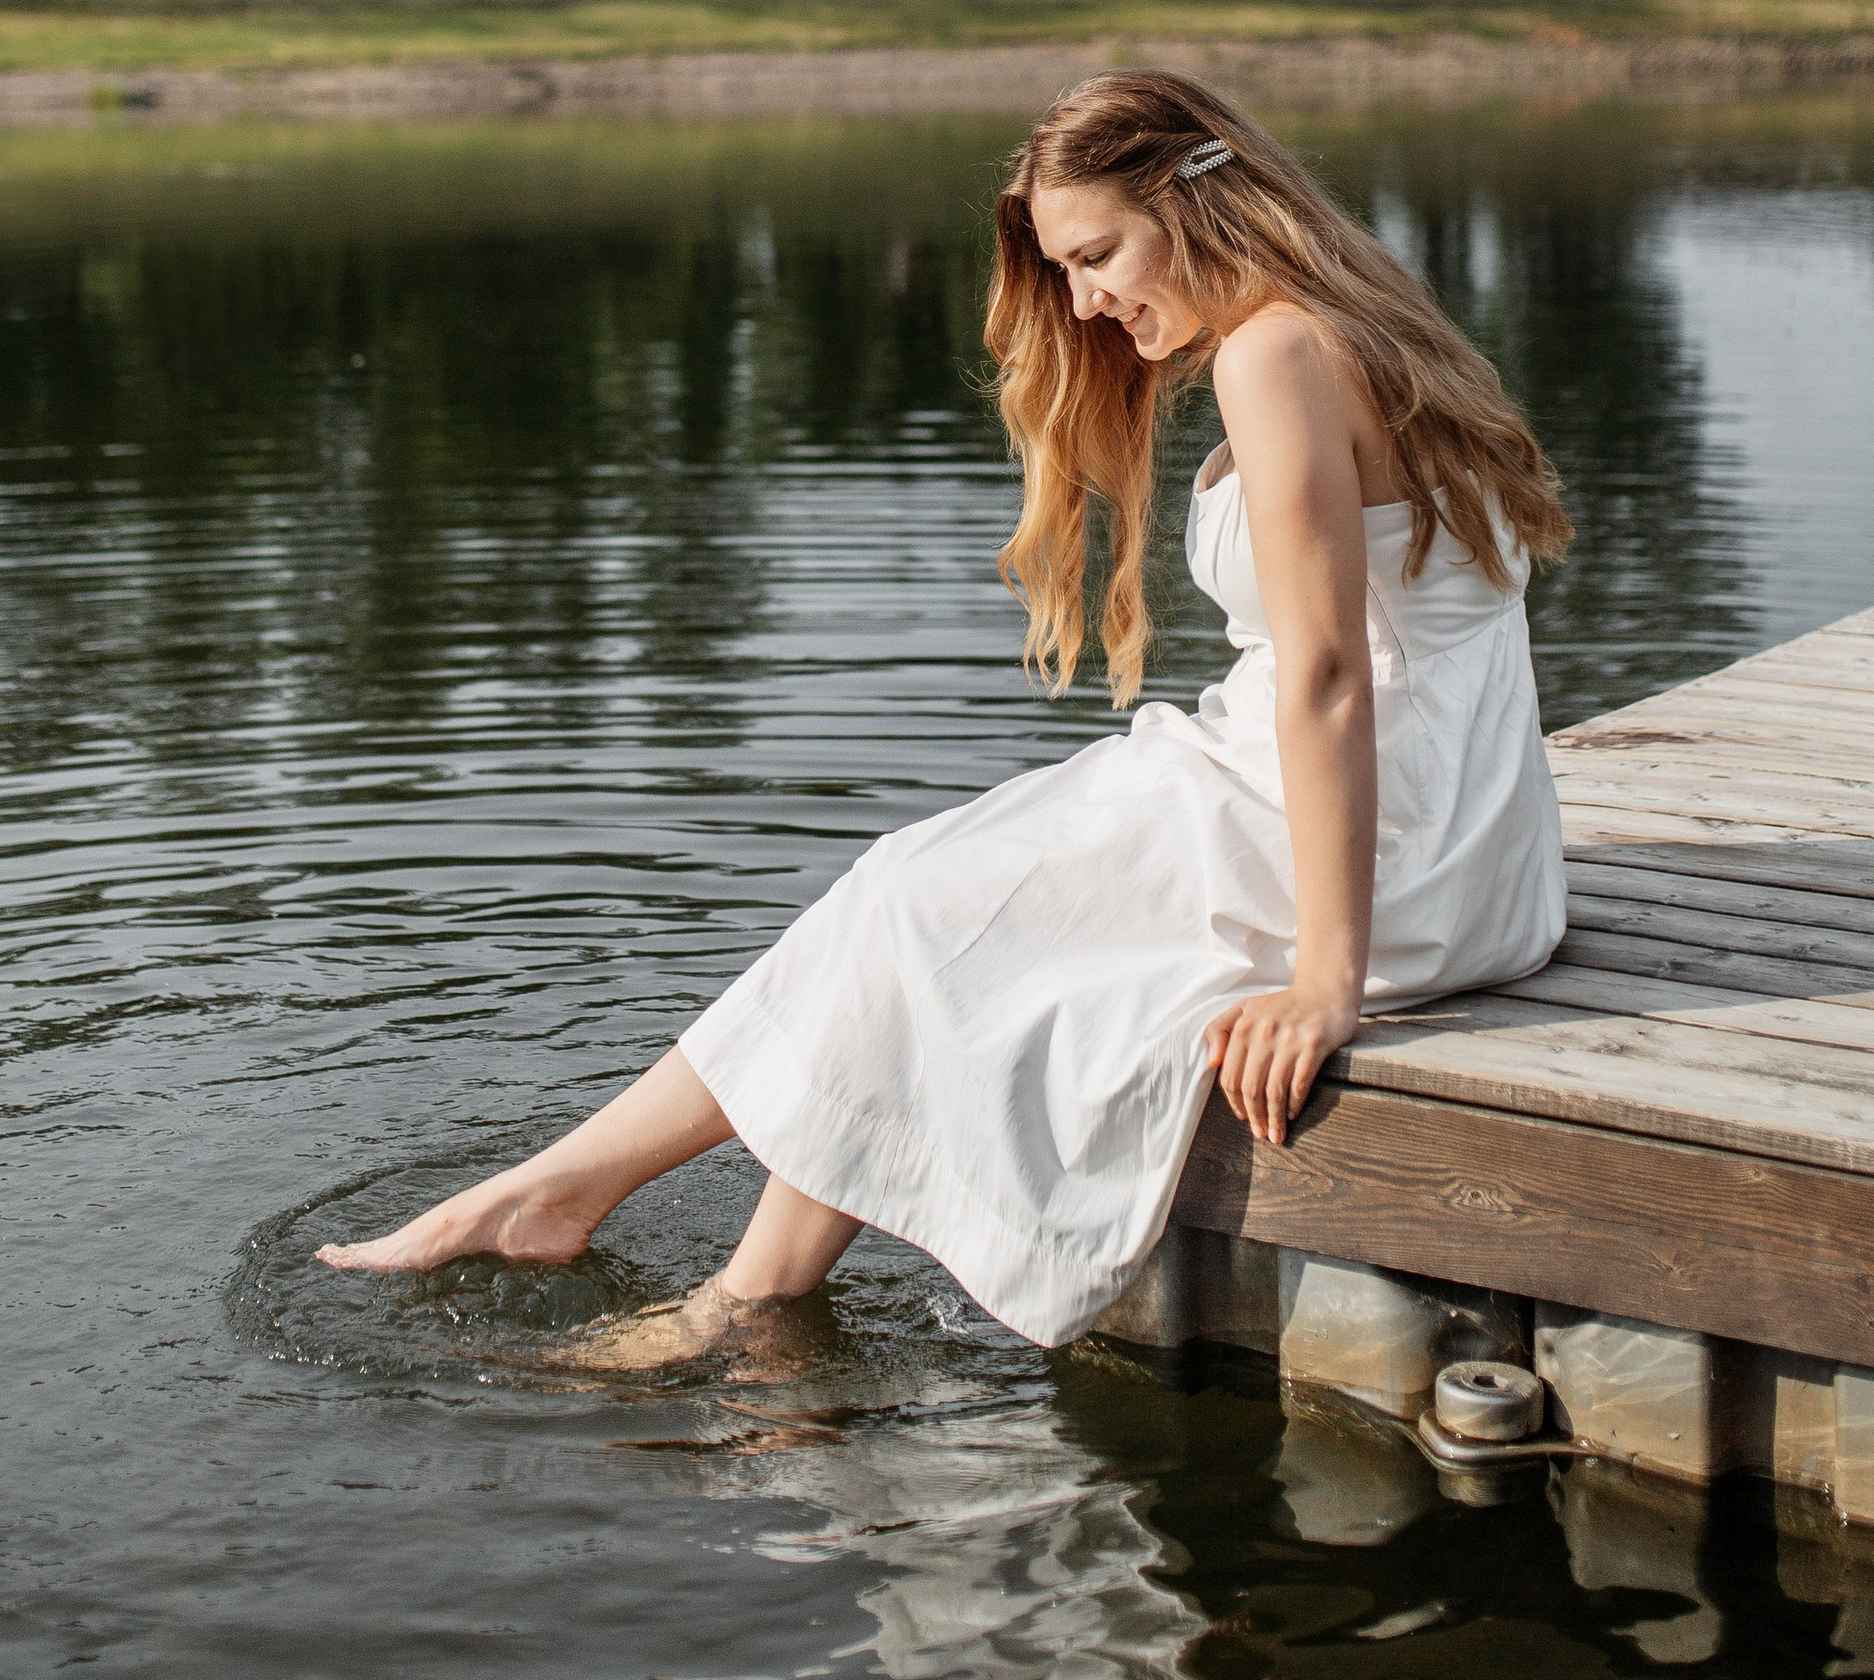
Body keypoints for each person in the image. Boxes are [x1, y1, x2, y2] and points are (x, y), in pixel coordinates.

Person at [319, 68, 1570, 1347]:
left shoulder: (1272, 350)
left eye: (1097, 255)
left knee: (923, 911)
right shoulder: (1365, 324)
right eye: (1065, 268)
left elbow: (1324, 672)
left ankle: (660, 1255)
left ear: (1200, 200)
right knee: (920, 896)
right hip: (1473, 843)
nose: (1084, 300)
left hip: (1390, 862)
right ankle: (637, 1233)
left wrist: (1325, 981)